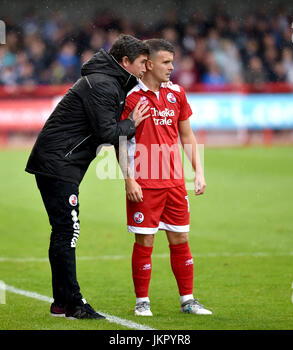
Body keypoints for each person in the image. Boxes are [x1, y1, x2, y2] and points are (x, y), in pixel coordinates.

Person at [25, 34, 150, 319]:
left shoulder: (106, 80)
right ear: (126, 61)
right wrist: (132, 123)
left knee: (64, 232)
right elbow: (107, 133)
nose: (145, 69)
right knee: (68, 232)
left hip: (58, 162)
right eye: (142, 63)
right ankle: (74, 304)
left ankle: (61, 302)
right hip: (58, 164)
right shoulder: (104, 84)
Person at [120, 39, 212, 316]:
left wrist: (199, 171)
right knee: (145, 241)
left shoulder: (177, 94)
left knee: (180, 238)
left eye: (172, 61)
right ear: (148, 64)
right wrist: (129, 179)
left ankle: (188, 300)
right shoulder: (131, 97)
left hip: (174, 182)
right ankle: (142, 303)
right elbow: (121, 140)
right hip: (144, 182)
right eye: (166, 62)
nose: (172, 67)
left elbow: (186, 135)